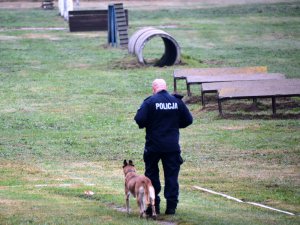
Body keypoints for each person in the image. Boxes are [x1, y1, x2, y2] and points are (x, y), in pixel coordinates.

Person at [134, 78, 193, 215]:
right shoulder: (176, 102)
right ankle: (171, 207)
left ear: (154, 89)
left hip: (153, 146)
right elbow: (188, 120)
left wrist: (150, 123)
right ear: (165, 88)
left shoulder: (150, 102)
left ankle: (154, 205)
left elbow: (139, 120)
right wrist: (174, 125)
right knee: (172, 177)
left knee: (151, 176)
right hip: (172, 147)